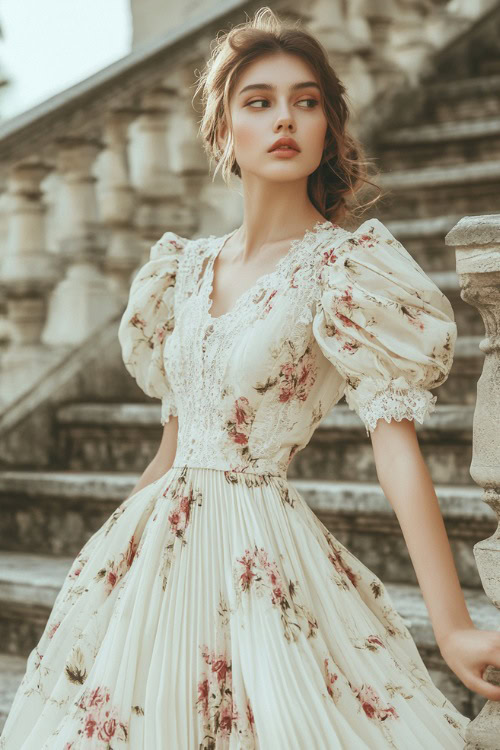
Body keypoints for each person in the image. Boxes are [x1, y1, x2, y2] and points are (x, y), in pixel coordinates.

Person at [2, 6, 500, 749]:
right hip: (154, 549)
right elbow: (177, 439)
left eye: (306, 101)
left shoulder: (343, 270)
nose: (285, 119)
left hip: (257, 548)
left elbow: (395, 451)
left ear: (329, 125)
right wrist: (108, 559)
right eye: (258, 102)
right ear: (223, 128)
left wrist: (452, 624)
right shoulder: (181, 268)